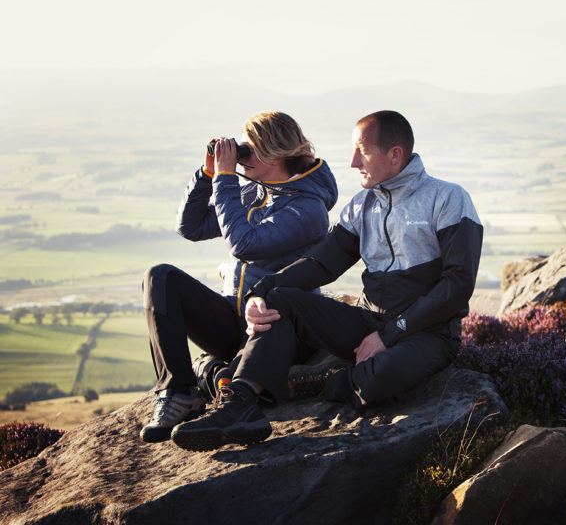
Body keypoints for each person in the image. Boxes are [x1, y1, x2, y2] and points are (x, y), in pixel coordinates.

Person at [170, 110, 483, 451]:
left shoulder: (448, 199)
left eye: (361, 151)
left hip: (429, 332)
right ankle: (240, 406)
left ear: (395, 154)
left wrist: (389, 335)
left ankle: (315, 382)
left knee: (382, 375)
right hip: (368, 320)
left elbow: (457, 285)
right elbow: (320, 264)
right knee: (280, 301)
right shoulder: (361, 205)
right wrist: (259, 293)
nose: (352, 162)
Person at [140, 111, 339, 443]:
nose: (243, 153)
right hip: (235, 319)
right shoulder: (258, 192)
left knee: (269, 309)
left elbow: (245, 244)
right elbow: (189, 227)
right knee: (160, 277)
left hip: (276, 331)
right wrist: (207, 173)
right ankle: (178, 392)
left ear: (276, 154)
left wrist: (226, 178)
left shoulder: (307, 209)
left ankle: (221, 379)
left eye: (251, 148)